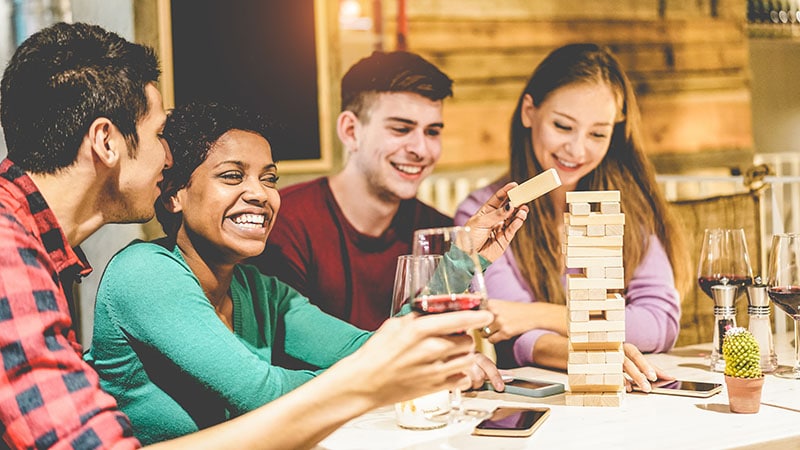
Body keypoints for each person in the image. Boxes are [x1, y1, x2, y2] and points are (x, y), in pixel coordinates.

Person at [0, 22, 493, 449]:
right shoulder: (34, 257)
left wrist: (462, 262)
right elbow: (264, 392)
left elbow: (373, 348)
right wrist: (381, 381)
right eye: (158, 136)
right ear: (107, 141)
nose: (166, 159)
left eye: (270, 178)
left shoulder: (255, 288)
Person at [454, 43, 690, 391]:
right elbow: (512, 334)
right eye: (563, 126)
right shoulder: (482, 215)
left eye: (598, 134)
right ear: (529, 112)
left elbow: (658, 324)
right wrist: (590, 353)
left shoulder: (630, 209)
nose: (578, 150)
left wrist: (538, 314)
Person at [250, 50, 529, 333]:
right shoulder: (286, 223)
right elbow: (291, 354)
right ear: (350, 131)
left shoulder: (436, 229)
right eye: (401, 129)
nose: (421, 149)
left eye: (432, 132)